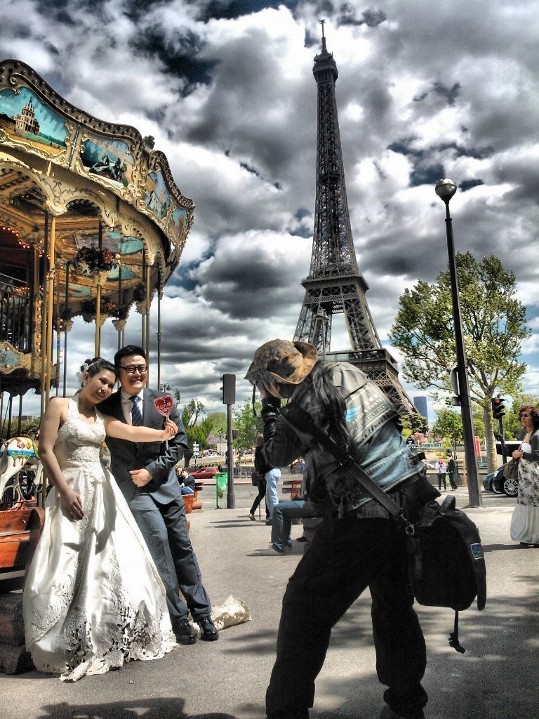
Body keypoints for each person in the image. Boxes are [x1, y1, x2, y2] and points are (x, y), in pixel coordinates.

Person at [245, 339, 440, 719]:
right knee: (394, 607)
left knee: (303, 608)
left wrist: (271, 412)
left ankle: (287, 710)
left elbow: (272, 457)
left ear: (271, 381)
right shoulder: (348, 371)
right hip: (407, 502)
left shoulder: (297, 410)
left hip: (359, 516)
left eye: (260, 384)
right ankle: (406, 705)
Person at [23, 358, 178, 681]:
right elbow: (46, 450)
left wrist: (163, 433)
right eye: (102, 381)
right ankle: (63, 632)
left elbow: (132, 432)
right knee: (66, 558)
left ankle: (111, 629)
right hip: (72, 488)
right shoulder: (59, 405)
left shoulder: (100, 417)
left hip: (103, 493)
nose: (106, 388)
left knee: (111, 561)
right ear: (86, 377)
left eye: (110, 385)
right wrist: (64, 490)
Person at [99, 345, 218, 644]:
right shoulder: (107, 406)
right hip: (133, 491)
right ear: (119, 372)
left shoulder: (162, 401)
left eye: (141, 367)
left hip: (164, 485)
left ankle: (202, 612)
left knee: (182, 547)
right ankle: (178, 618)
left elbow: (180, 444)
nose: (137, 373)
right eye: (130, 368)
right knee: (160, 548)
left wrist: (152, 470)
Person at [510, 405, 539, 547]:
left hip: (534, 478)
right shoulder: (527, 435)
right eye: (522, 416)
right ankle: (528, 536)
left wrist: (520, 454)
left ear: (534, 418)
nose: (523, 418)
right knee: (525, 505)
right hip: (524, 478)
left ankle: (536, 537)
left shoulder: (537, 435)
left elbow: (537, 456)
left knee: (534, 505)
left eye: (526, 415)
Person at [249, 434, 269, 521]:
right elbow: (265, 463)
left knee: (261, 494)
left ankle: (252, 511)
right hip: (264, 474)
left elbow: (256, 464)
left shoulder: (257, 451)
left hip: (259, 474)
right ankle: (268, 514)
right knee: (268, 494)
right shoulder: (264, 450)